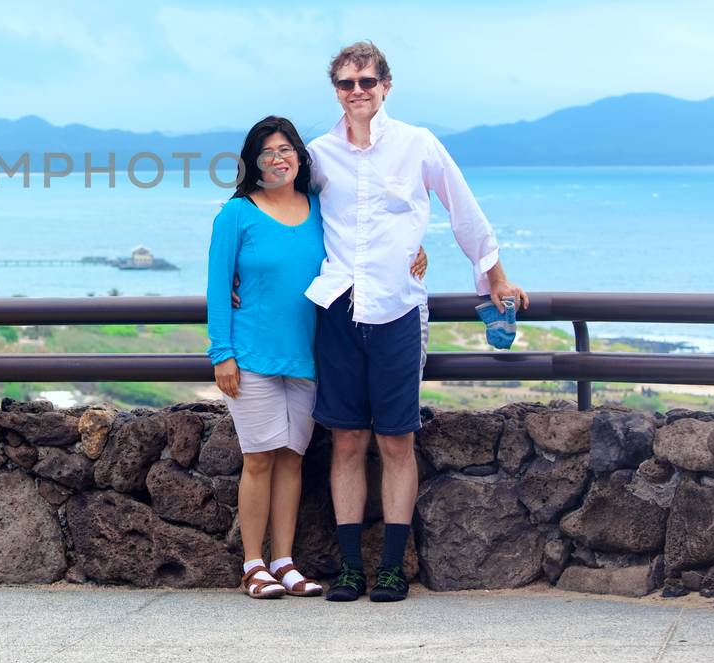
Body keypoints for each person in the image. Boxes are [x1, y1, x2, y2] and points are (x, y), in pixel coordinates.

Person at [304, 41, 527, 604]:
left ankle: (392, 568)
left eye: (367, 81)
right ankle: (351, 569)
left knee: (397, 441)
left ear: (387, 85)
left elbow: (464, 210)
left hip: (399, 309)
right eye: (346, 83)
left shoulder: (418, 145)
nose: (358, 91)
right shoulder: (317, 154)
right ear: (335, 90)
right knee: (348, 441)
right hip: (337, 309)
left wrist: (493, 277)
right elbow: (284, 219)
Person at [208, 116, 426, 599]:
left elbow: (366, 236)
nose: (277, 158)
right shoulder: (236, 214)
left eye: (286, 149)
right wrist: (222, 354)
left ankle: (284, 562)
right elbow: (218, 289)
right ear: (253, 161)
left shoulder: (317, 208)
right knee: (259, 459)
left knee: (292, 460)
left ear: (300, 158)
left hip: (308, 357)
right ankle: (253, 564)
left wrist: (412, 249)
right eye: (267, 152)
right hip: (252, 358)